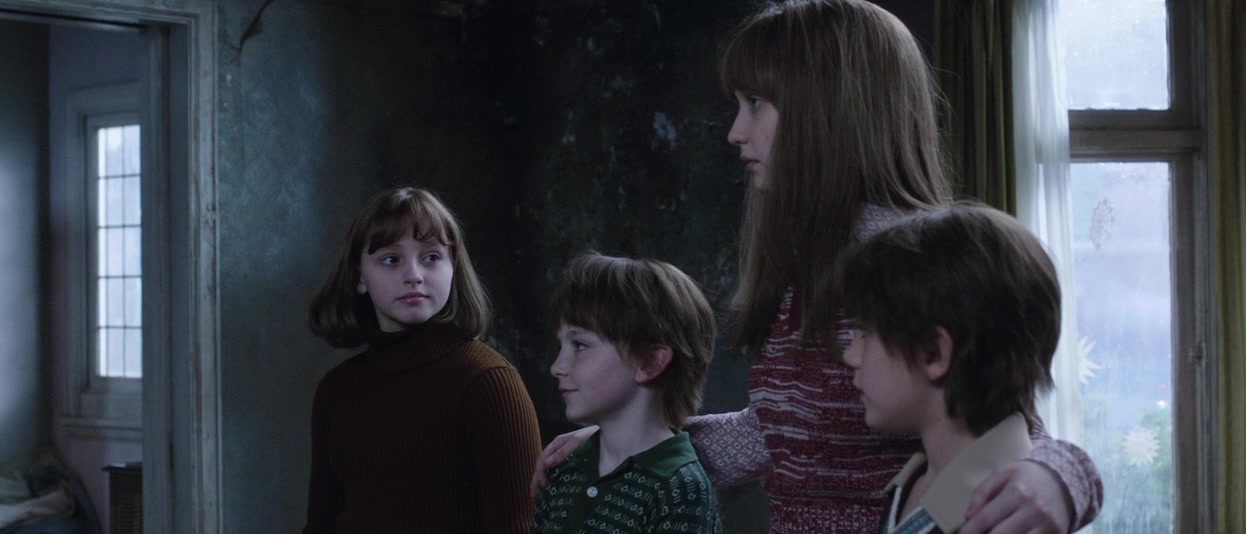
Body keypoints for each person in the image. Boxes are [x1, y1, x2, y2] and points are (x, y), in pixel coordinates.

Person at [533, 1, 1103, 532]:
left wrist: (1061, 478)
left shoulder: (911, 265)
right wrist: (630, 445)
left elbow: (1011, 430)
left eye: (756, 103)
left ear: (827, 110)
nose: (735, 131)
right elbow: (782, 434)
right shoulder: (810, 264)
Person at [304, 187, 541, 533]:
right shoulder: (336, 390)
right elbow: (320, 525)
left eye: (431, 257)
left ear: (453, 266)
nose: (413, 274)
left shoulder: (487, 381)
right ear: (359, 278)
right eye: (391, 259)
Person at [836, 203, 1064, 533]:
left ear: (933, 353)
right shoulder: (917, 478)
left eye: (866, 333)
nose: (851, 355)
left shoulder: (999, 517)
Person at [533, 254, 722, 533]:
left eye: (580, 345)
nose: (557, 367)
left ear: (650, 362)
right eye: (561, 346)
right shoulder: (565, 467)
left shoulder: (680, 490)